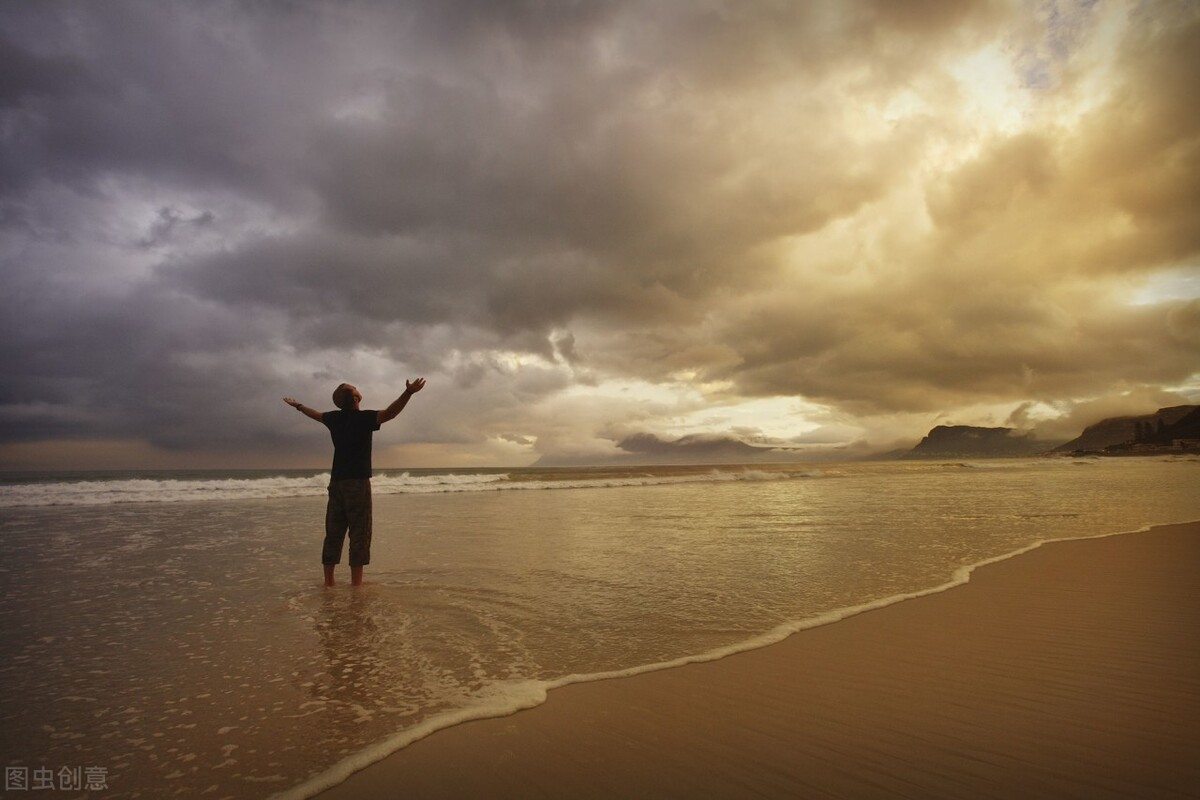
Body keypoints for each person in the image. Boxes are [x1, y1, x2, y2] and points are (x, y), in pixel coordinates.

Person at [284, 378, 426, 586]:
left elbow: (314, 414)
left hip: (336, 483)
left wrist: (298, 406)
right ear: (356, 398)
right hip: (357, 483)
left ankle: (329, 582)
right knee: (360, 532)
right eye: (354, 388)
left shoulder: (333, 418)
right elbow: (391, 413)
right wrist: (408, 393)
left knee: (333, 532)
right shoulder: (364, 418)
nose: (357, 388)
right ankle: (356, 585)